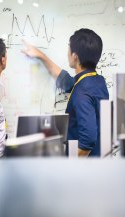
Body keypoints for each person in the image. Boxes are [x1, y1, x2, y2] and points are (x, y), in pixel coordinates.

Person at [22, 28, 109, 157]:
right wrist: (40, 55)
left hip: (84, 169)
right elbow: (67, 82)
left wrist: (71, 167)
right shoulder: (96, 81)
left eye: (69, 48)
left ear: (74, 56)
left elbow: (88, 140)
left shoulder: (82, 93)